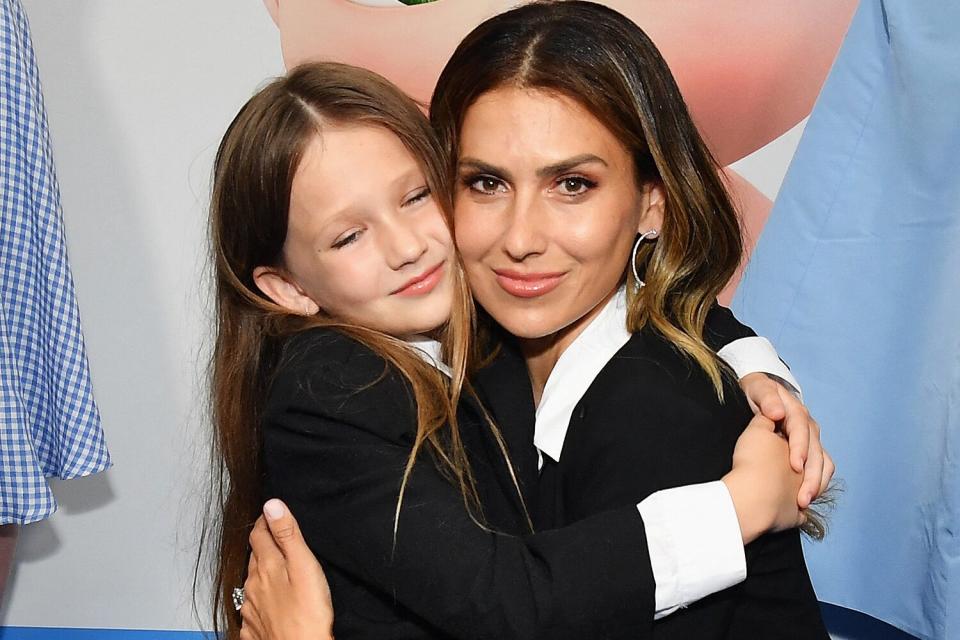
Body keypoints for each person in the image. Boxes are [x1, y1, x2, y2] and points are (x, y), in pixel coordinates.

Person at [234, 2, 836, 639]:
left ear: (651, 203)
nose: (520, 238)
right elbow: (502, 596)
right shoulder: (452, 343)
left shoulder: (652, 411)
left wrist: (755, 374)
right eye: (487, 183)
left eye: (572, 184)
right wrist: (742, 492)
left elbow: (513, 602)